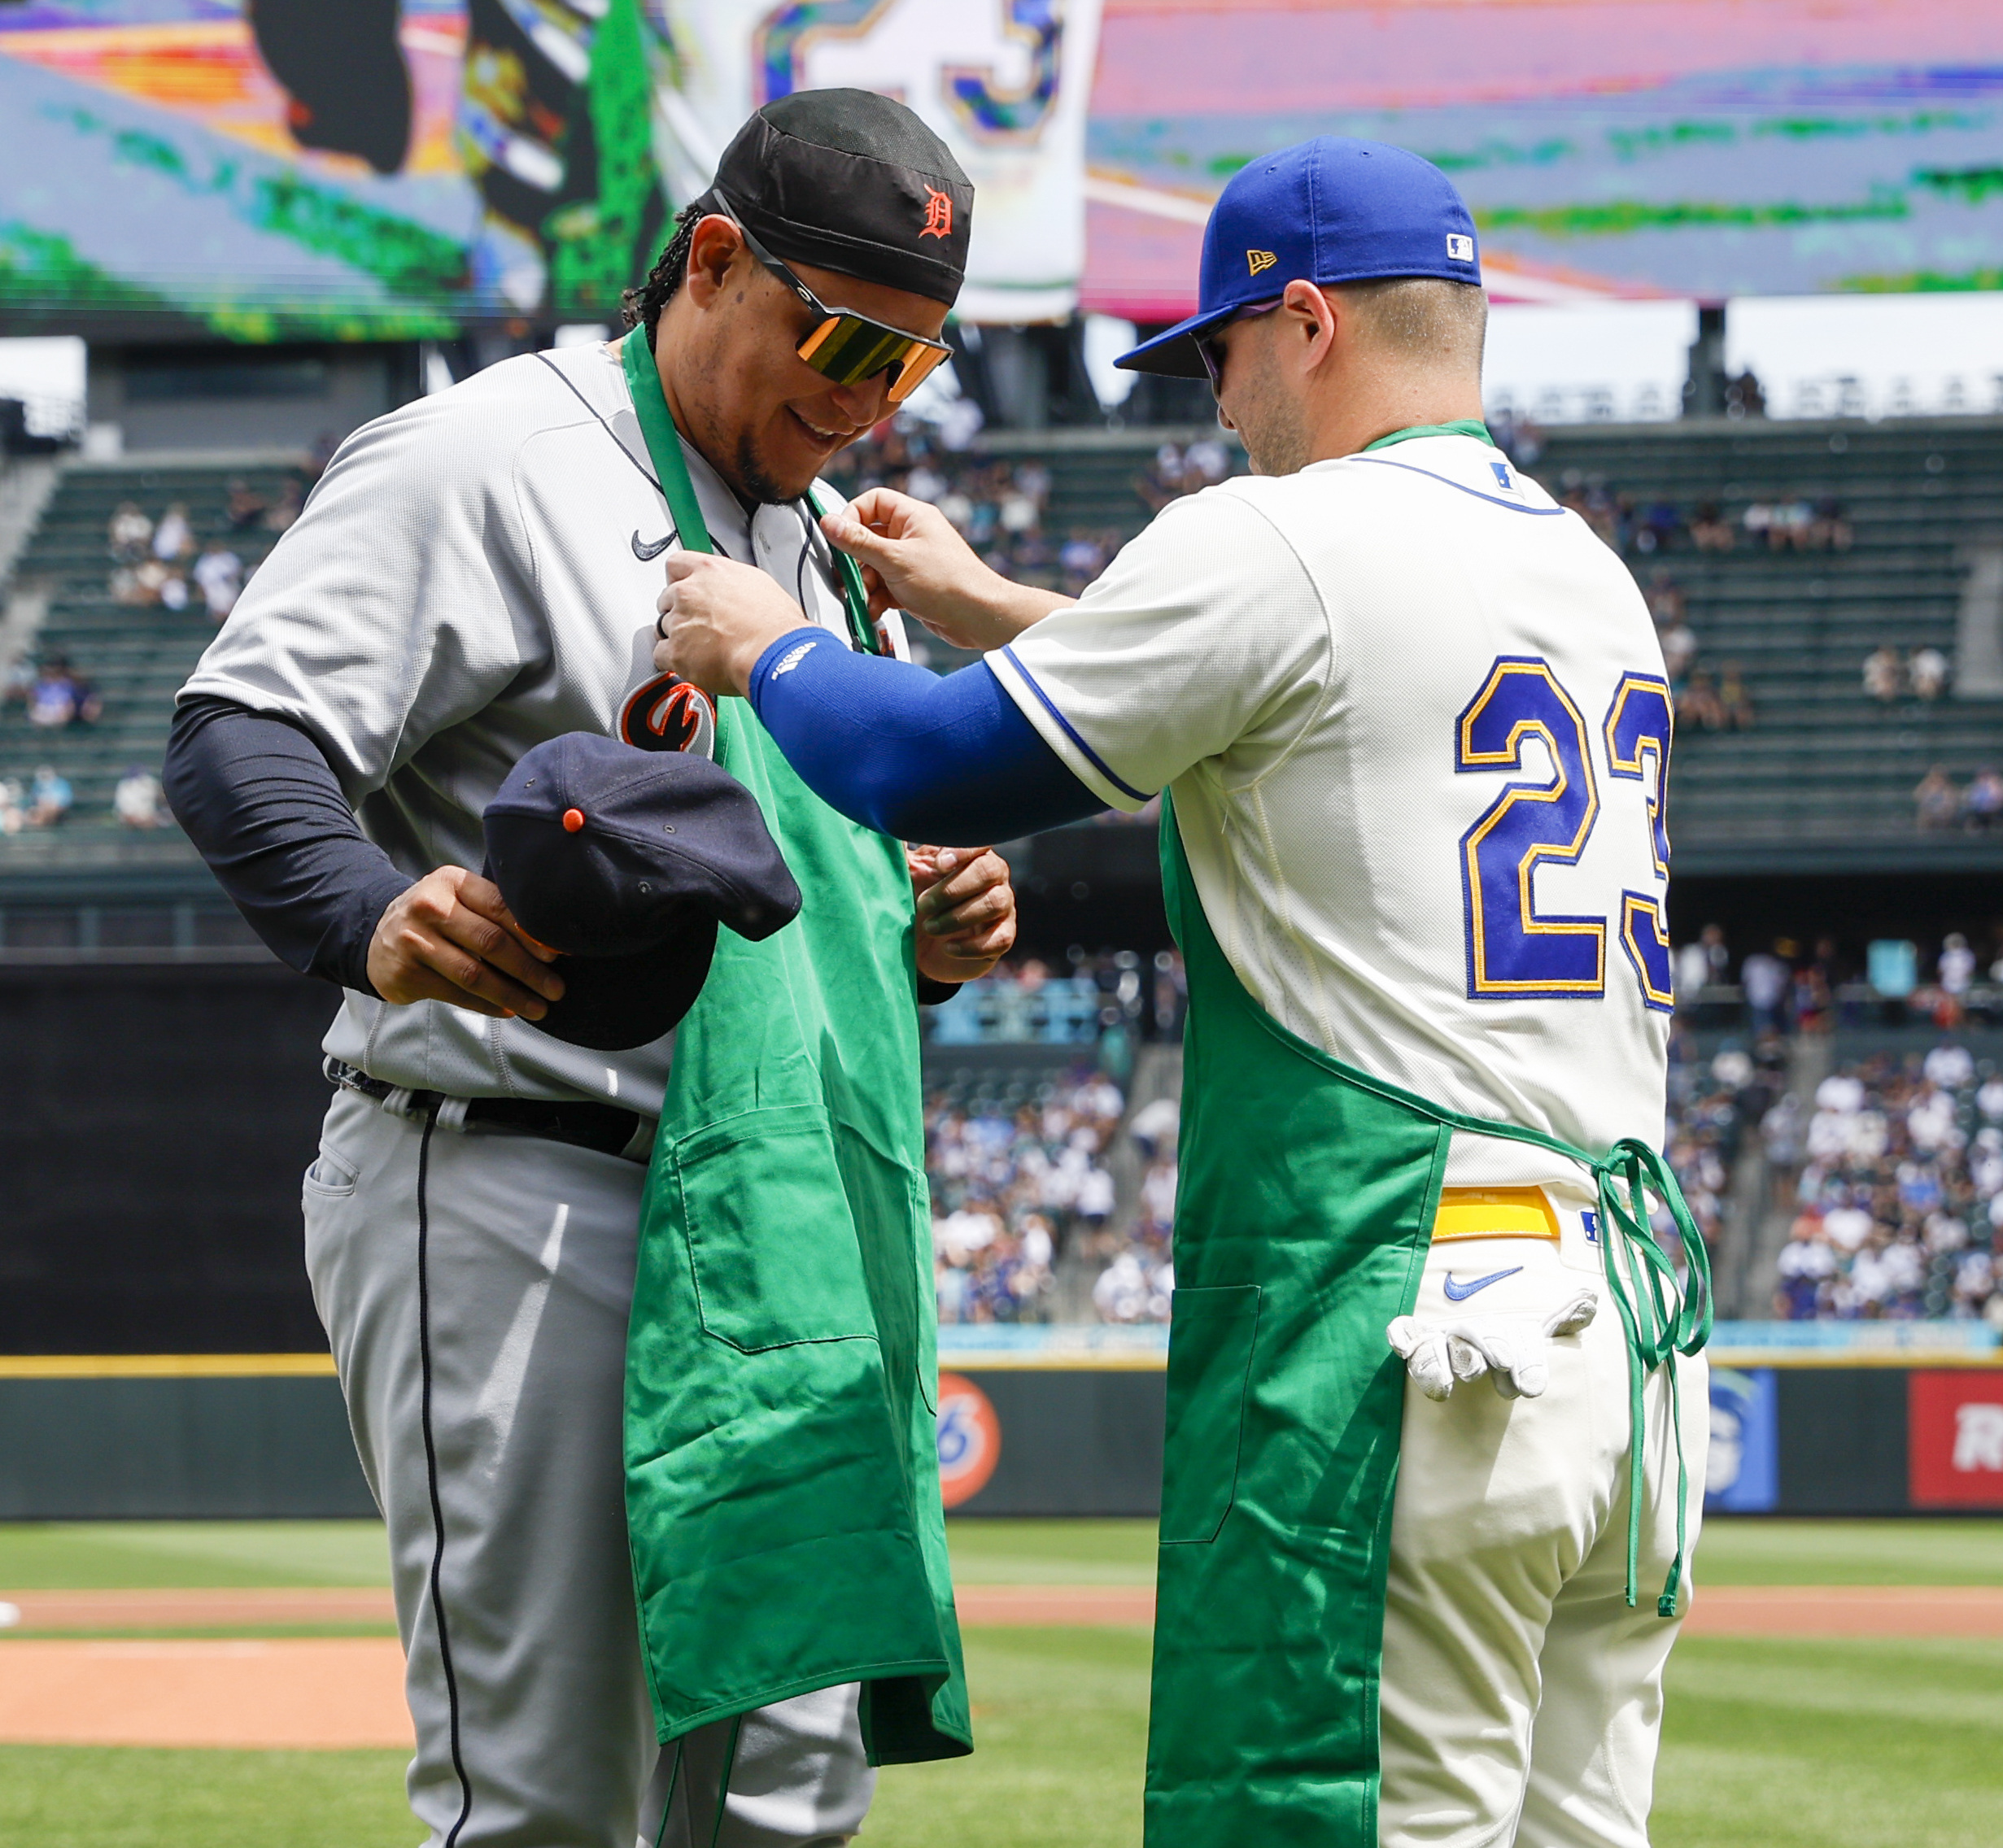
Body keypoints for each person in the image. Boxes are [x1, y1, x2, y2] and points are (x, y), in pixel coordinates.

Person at [652, 136, 1708, 1848]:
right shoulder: (1586, 573)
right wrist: (992, 602)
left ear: (1307, 322)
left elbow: (926, 763)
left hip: (1413, 1312)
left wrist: (768, 643)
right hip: (1627, 1352)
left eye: (1219, 351)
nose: (1217, 403)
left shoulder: (1284, 536)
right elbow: (1299, 719)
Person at [165, 90, 1015, 1848]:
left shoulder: (823, 540)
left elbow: (763, 901)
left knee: (784, 1787)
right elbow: (241, 730)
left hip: (773, 1224)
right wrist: (365, 911)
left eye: (911, 365)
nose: (868, 396)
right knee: (547, 1795)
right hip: (517, 1179)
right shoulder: (484, 450)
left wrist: (920, 928)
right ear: (712, 259)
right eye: (845, 338)